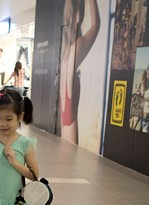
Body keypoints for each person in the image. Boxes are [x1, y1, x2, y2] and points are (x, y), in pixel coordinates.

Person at [60, 0, 100, 145]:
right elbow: (96, 26)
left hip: (64, 118)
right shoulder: (76, 47)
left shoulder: (64, 51)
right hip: (70, 120)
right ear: (78, 15)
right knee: (70, 164)